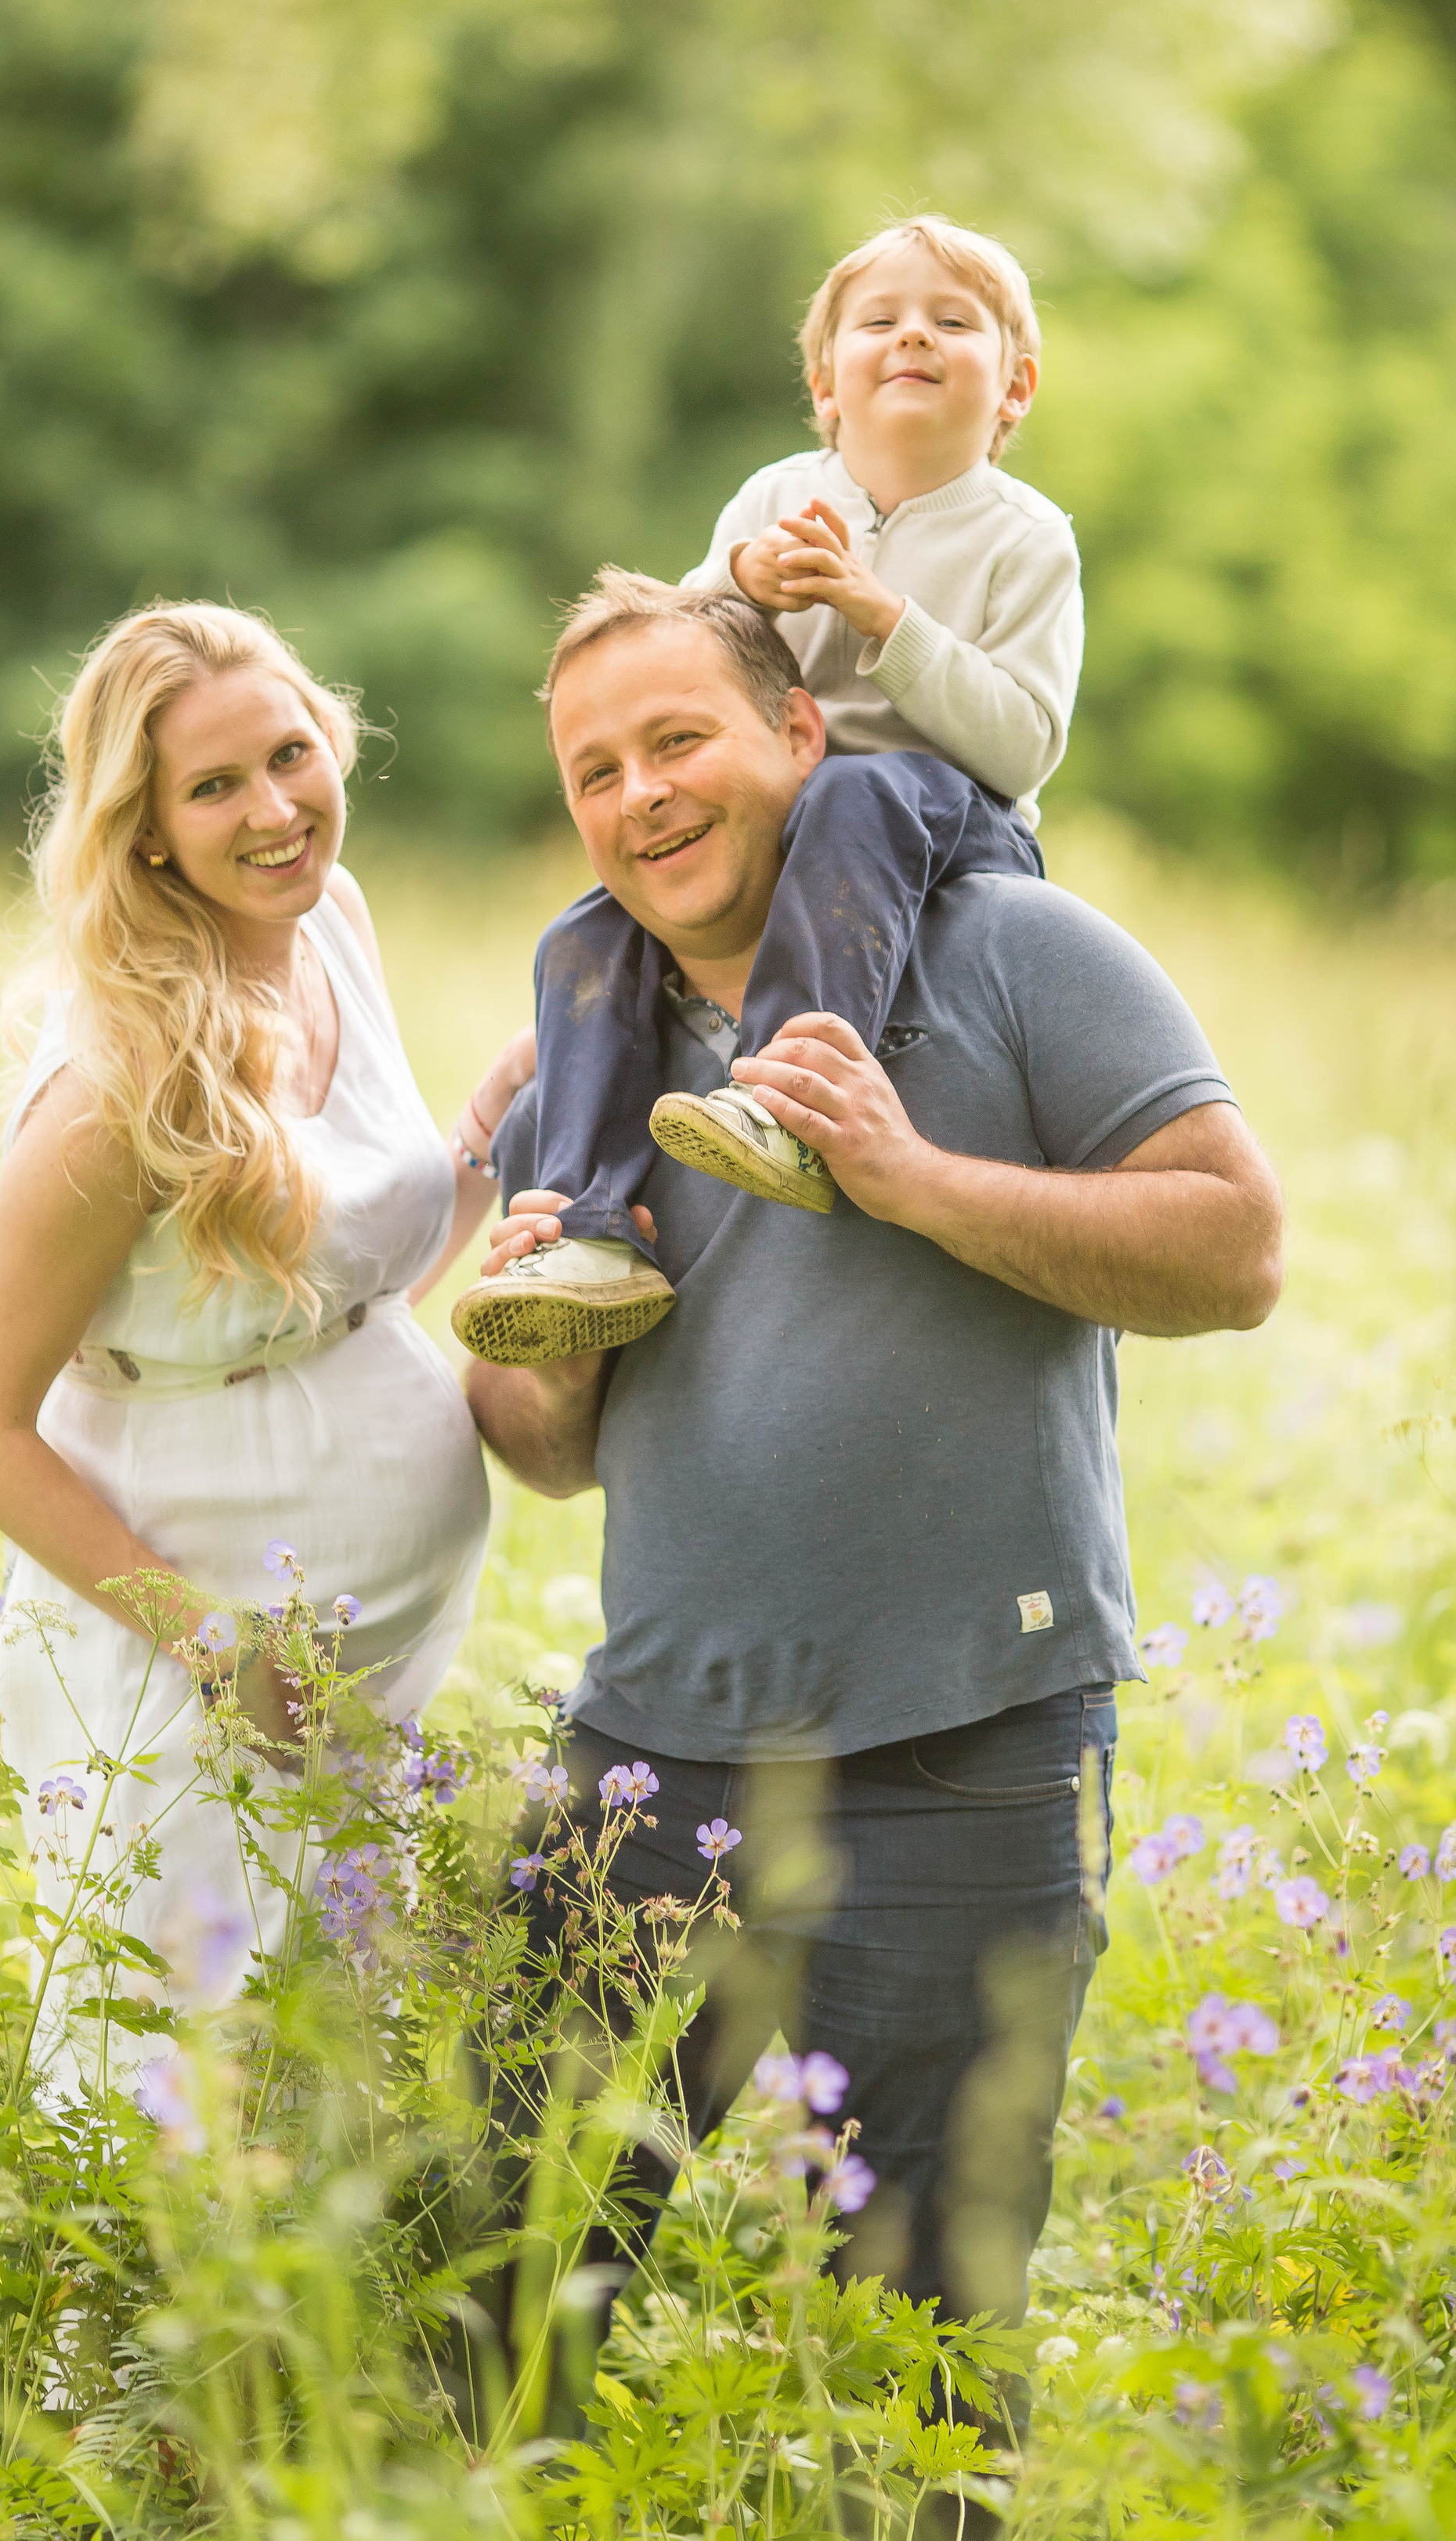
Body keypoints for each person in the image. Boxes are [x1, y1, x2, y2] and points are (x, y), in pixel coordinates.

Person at [461, 572, 1281, 2402]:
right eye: (594, 771)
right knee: (501, 2291)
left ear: (800, 736)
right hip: (651, 1764)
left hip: (964, 1756)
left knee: (917, 2344)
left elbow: (1233, 1252)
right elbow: (543, 1460)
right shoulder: (580, 1064)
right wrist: (538, 1342)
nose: (639, 799)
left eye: (677, 741)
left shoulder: (1005, 950)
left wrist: (911, 1178)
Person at [0, 601, 529, 2091]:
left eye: (290, 754)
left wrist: (505, 1119)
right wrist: (215, 1650)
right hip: (184, 1666)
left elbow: (342, 1273)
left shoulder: (332, 923)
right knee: (173, 2089)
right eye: (214, 788)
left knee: (335, 2085)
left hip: (367, 1657)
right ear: (144, 834)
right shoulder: (115, 1084)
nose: (275, 810)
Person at [451, 215, 1082, 1369]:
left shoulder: (1025, 540)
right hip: (795, 828)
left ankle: (785, 1099)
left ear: (1015, 386)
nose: (913, 339)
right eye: (879, 322)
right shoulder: (777, 496)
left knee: (856, 790)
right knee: (588, 932)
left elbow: (1025, 745)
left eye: (953, 323)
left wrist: (884, 619)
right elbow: (680, 646)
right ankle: (589, 1224)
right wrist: (737, 580)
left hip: (956, 828)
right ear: (824, 385)